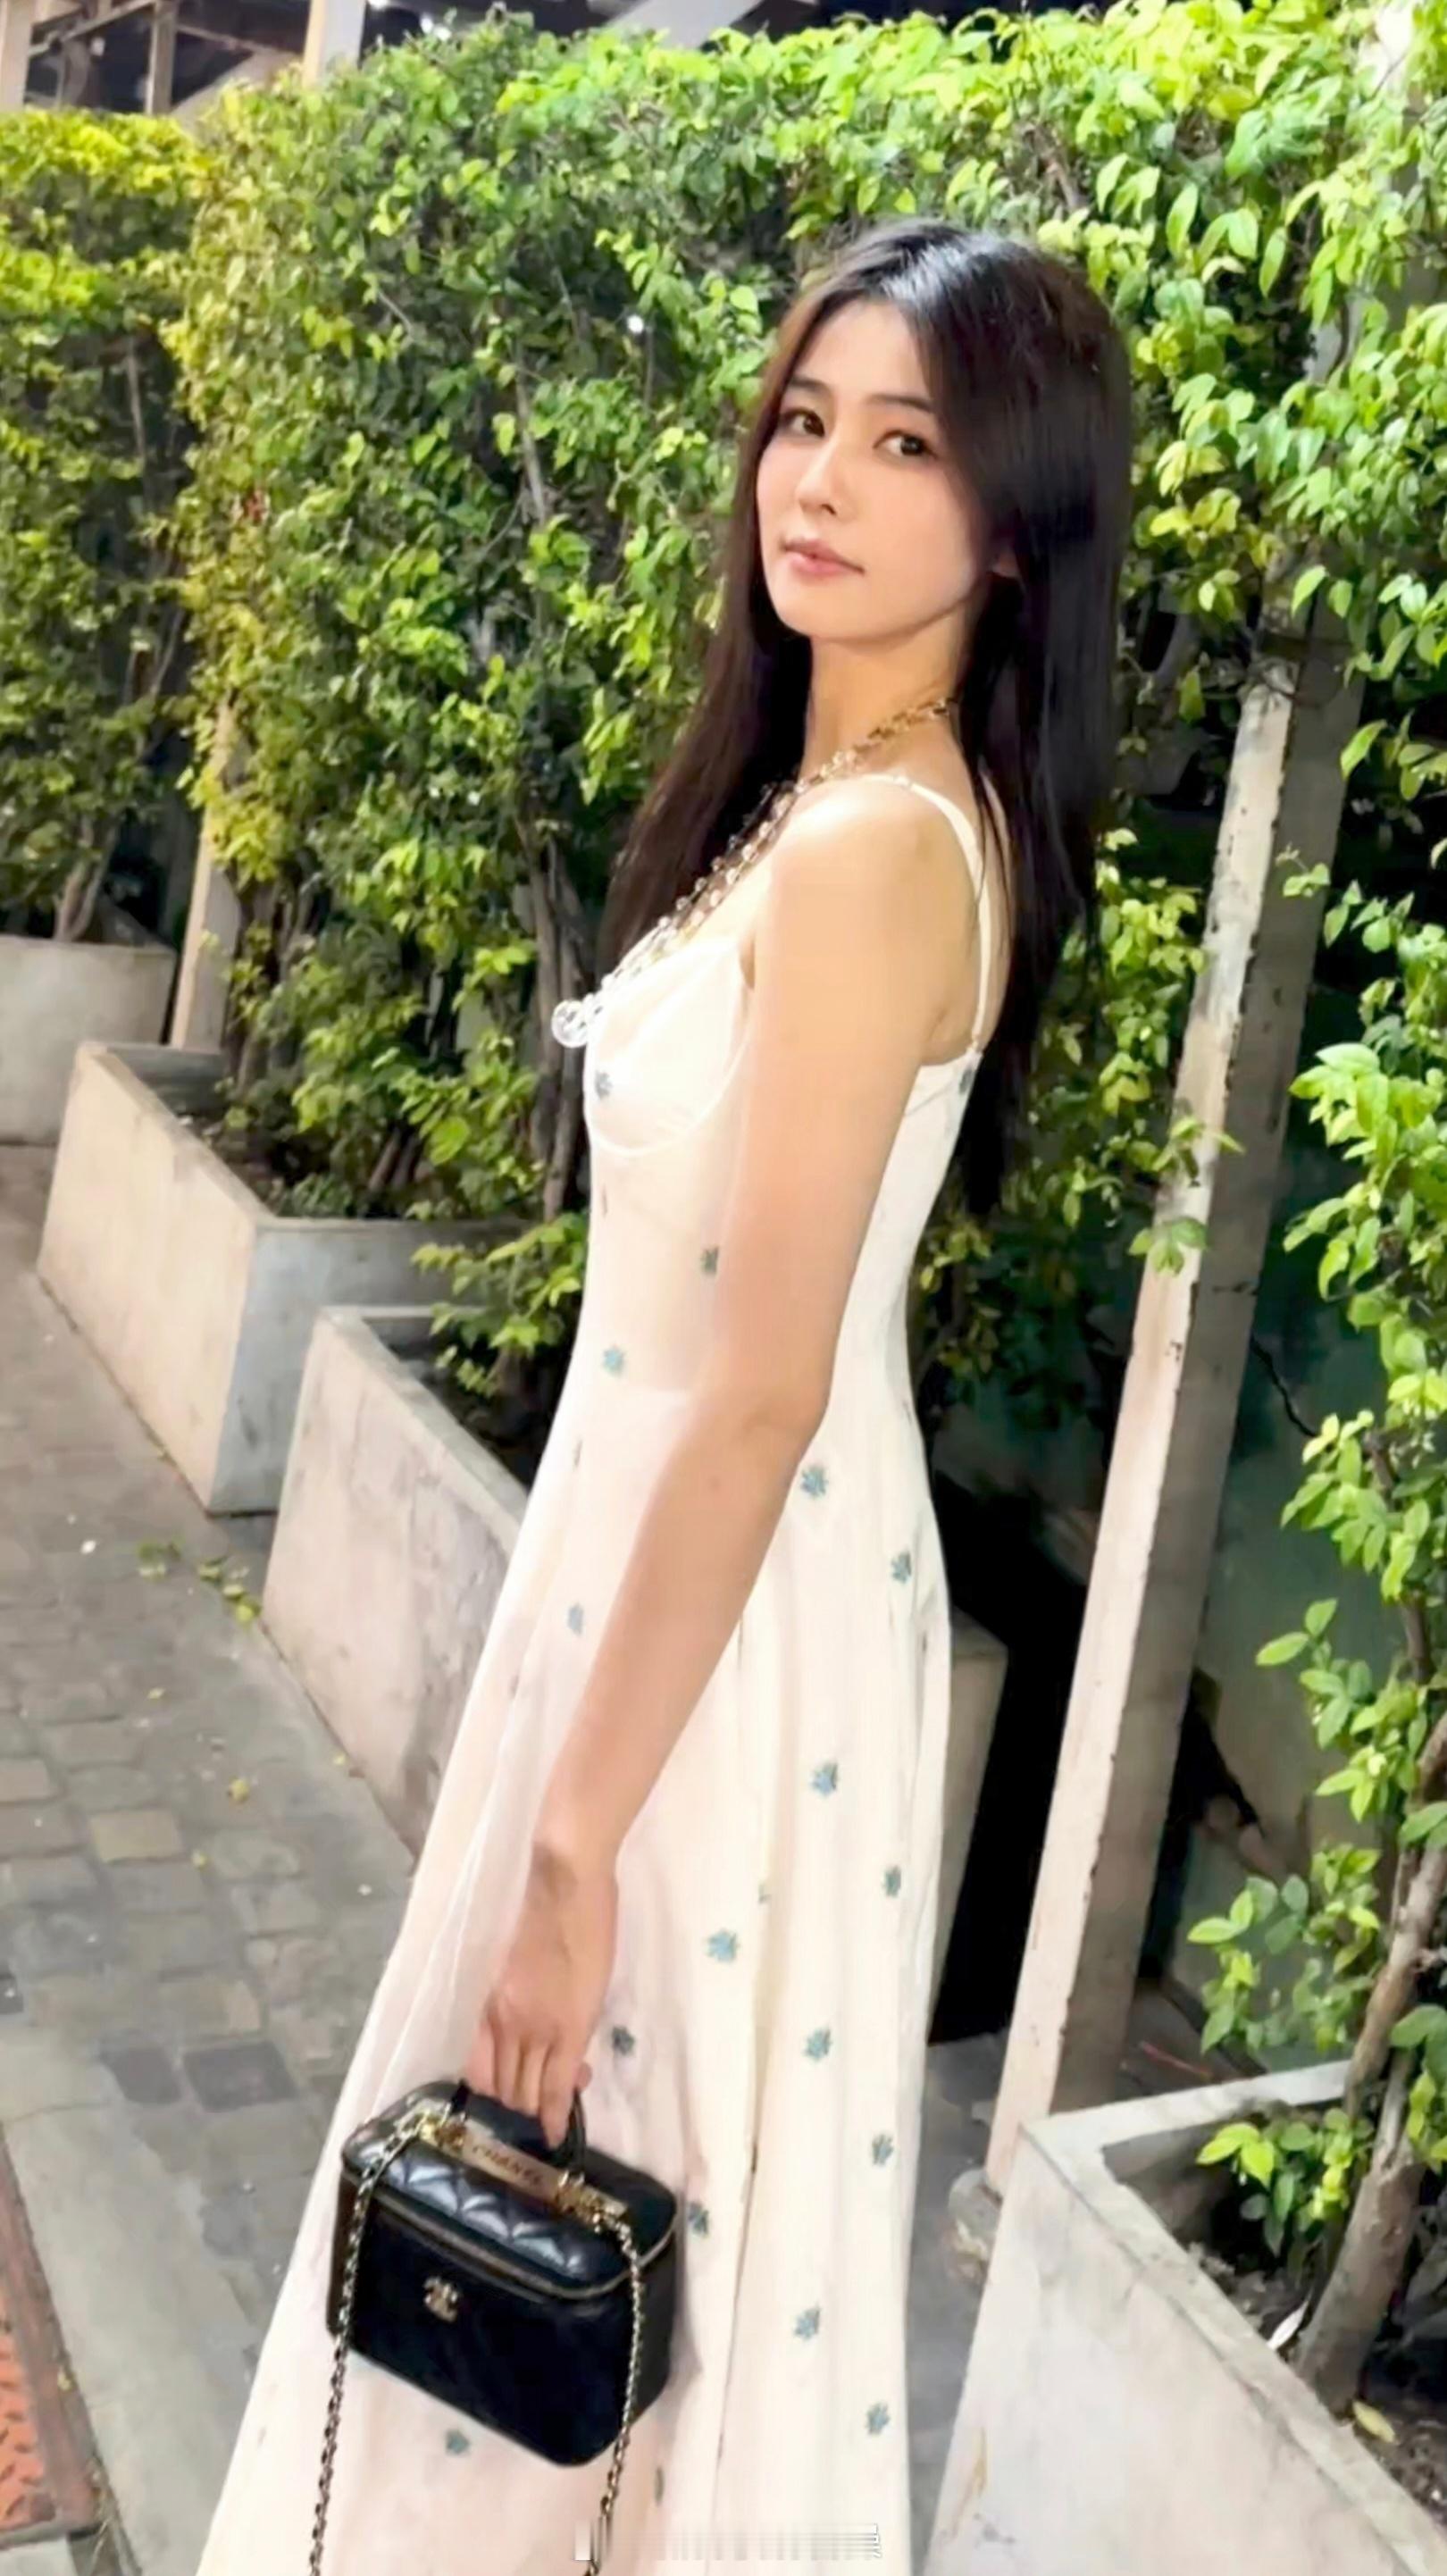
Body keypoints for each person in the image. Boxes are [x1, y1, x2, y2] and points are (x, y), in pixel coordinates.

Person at [195, 213, 1133, 2576]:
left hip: (719, 1630)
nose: (820, 480)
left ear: (1013, 527)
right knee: (596, 2244)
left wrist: (573, 1842)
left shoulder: (870, 853)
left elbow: (758, 1389)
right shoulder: (841, 810)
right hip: (696, 1600)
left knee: (574, 2251)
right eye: (805, 420)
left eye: (906, 444)